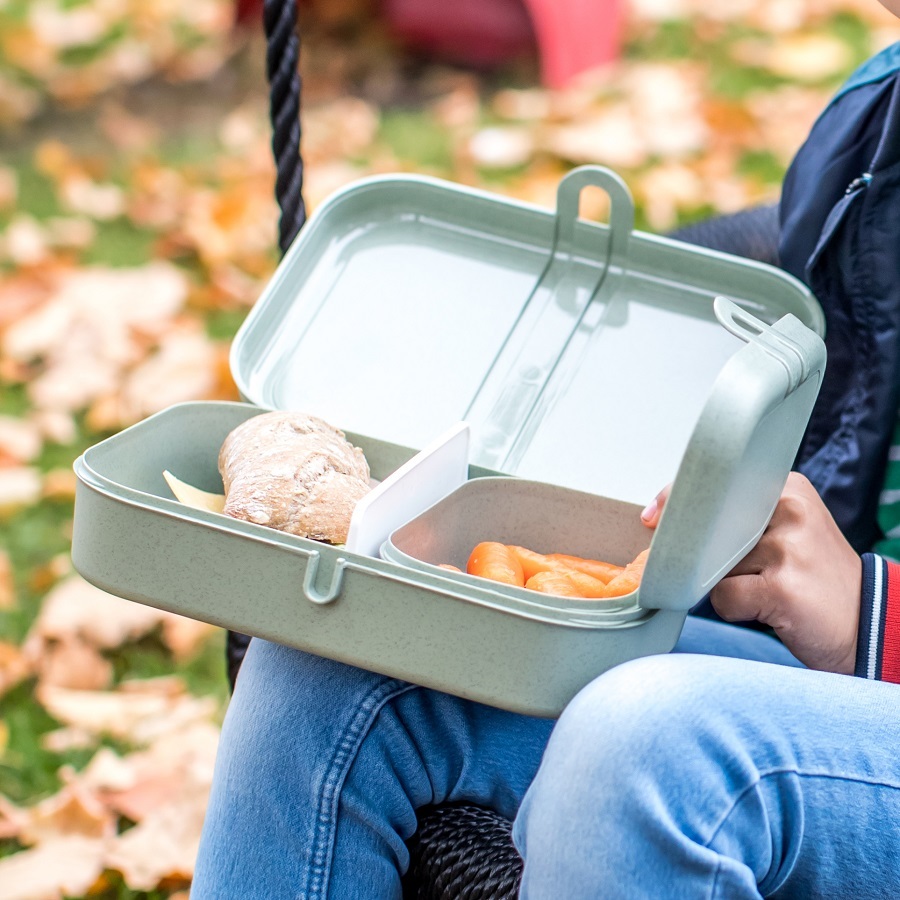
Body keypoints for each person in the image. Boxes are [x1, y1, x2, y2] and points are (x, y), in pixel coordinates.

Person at [190, 19, 900, 900]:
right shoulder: (873, 125)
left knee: (641, 745)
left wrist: (873, 618)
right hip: (827, 692)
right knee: (332, 661)